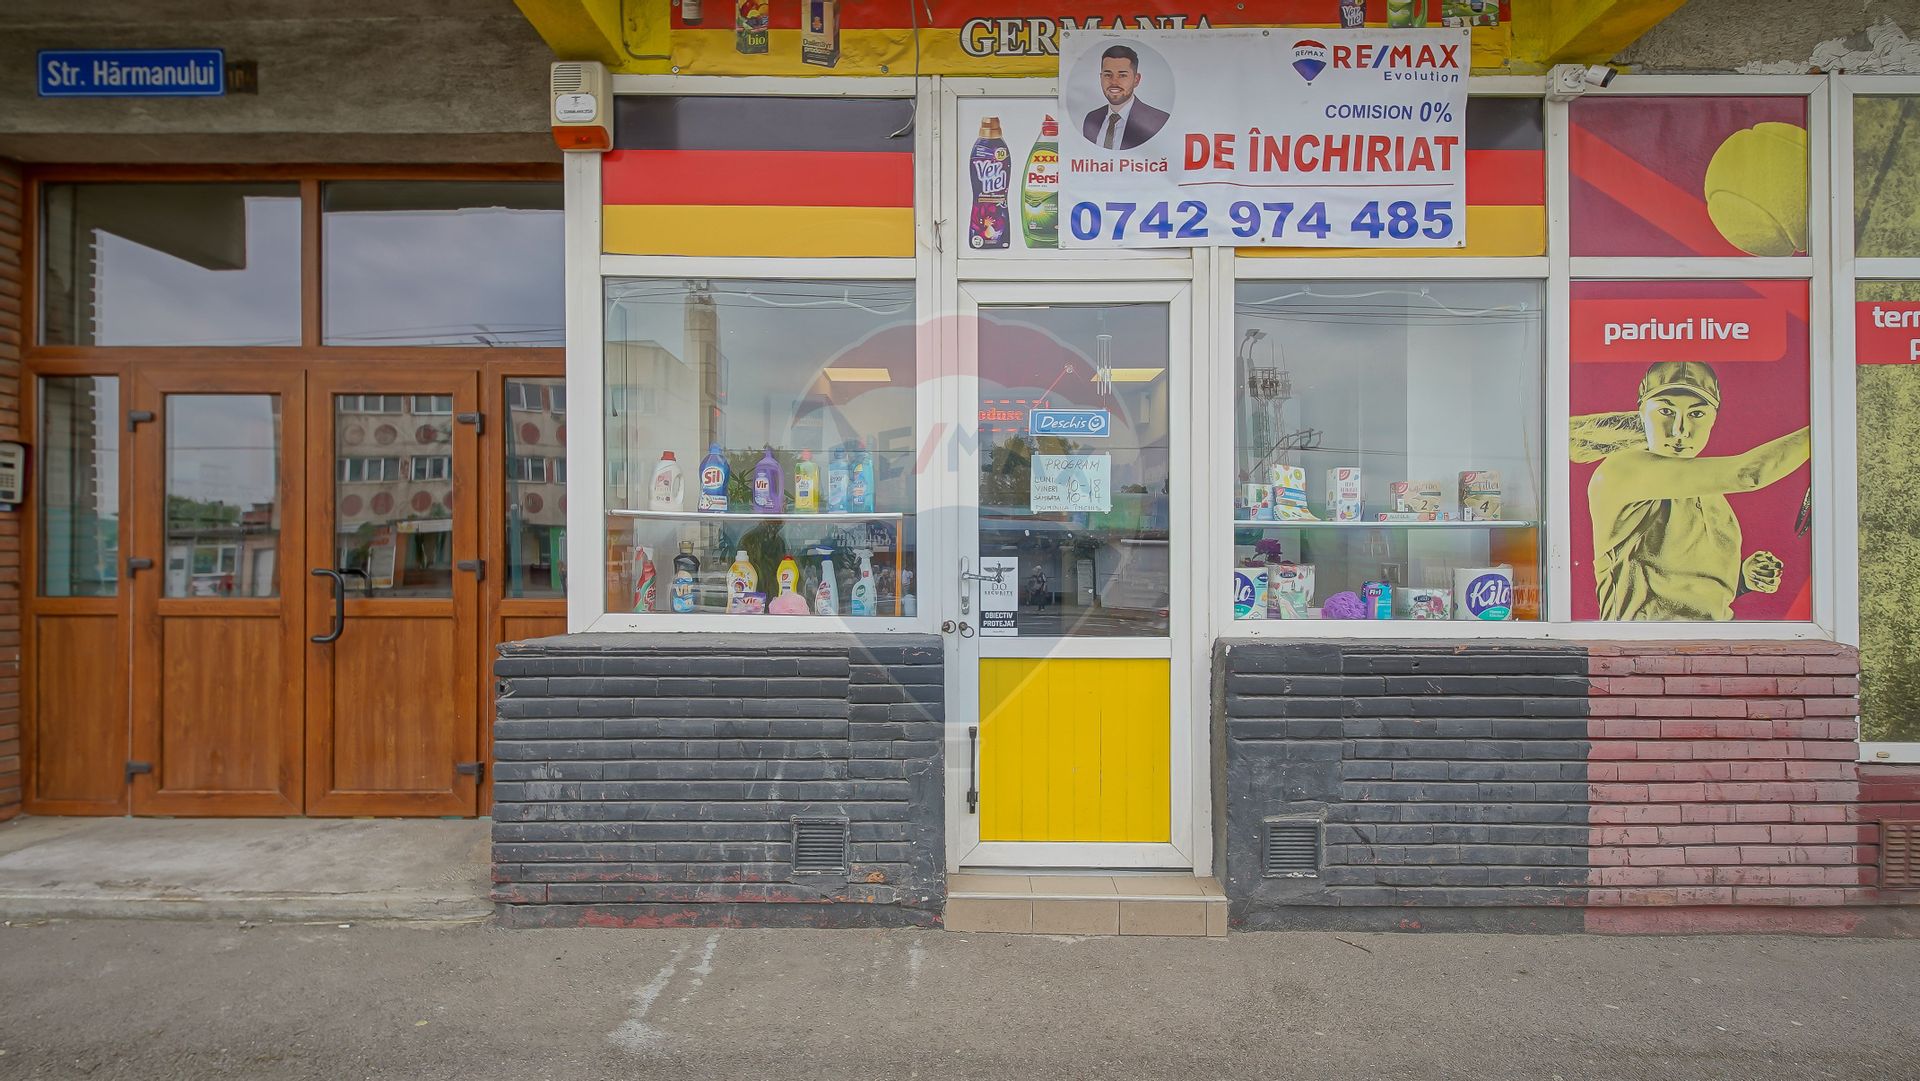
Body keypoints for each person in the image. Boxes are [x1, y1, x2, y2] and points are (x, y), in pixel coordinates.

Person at [1571, 360, 1810, 621]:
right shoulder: (1621, 470)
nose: (1680, 430)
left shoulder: (1711, 496)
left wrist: (1742, 580)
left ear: (1713, 419)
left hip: (1713, 641)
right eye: (1666, 411)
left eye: (1696, 414)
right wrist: (1825, 427)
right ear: (1642, 413)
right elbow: (1749, 475)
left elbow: (1683, 592)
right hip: (1644, 643)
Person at [1081, 45, 1169, 151]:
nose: (1114, 82)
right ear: (1101, 78)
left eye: (1122, 75)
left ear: (1136, 80)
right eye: (1108, 75)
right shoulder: (1091, 119)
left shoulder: (1159, 121)